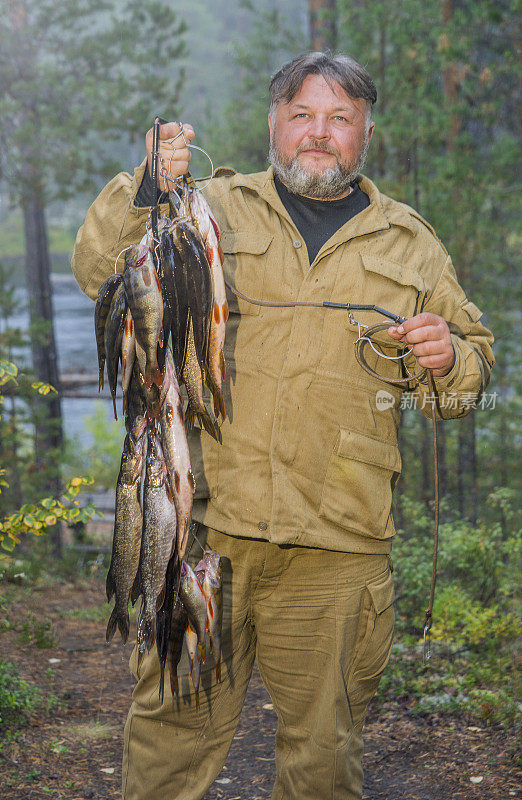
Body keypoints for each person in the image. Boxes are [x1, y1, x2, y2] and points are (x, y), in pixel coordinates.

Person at [72, 52, 494, 800]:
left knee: (322, 757)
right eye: (301, 115)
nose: (318, 134)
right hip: (203, 533)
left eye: (339, 118)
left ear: (366, 133)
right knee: (169, 743)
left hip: (337, 549)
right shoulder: (214, 206)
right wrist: (145, 184)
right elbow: (102, 272)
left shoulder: (410, 243)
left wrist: (449, 357)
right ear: (274, 123)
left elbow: (460, 393)